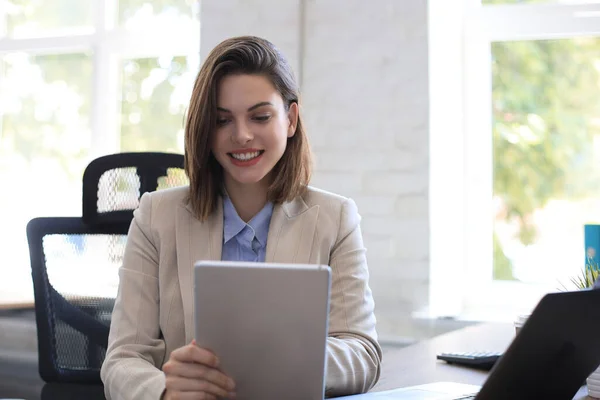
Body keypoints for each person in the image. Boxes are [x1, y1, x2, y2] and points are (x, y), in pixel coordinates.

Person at [101, 35, 382, 400]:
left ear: (291, 119)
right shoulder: (156, 216)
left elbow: (362, 353)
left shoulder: (334, 218)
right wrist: (168, 391)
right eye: (222, 121)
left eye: (260, 116)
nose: (242, 135)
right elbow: (123, 359)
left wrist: (284, 360)